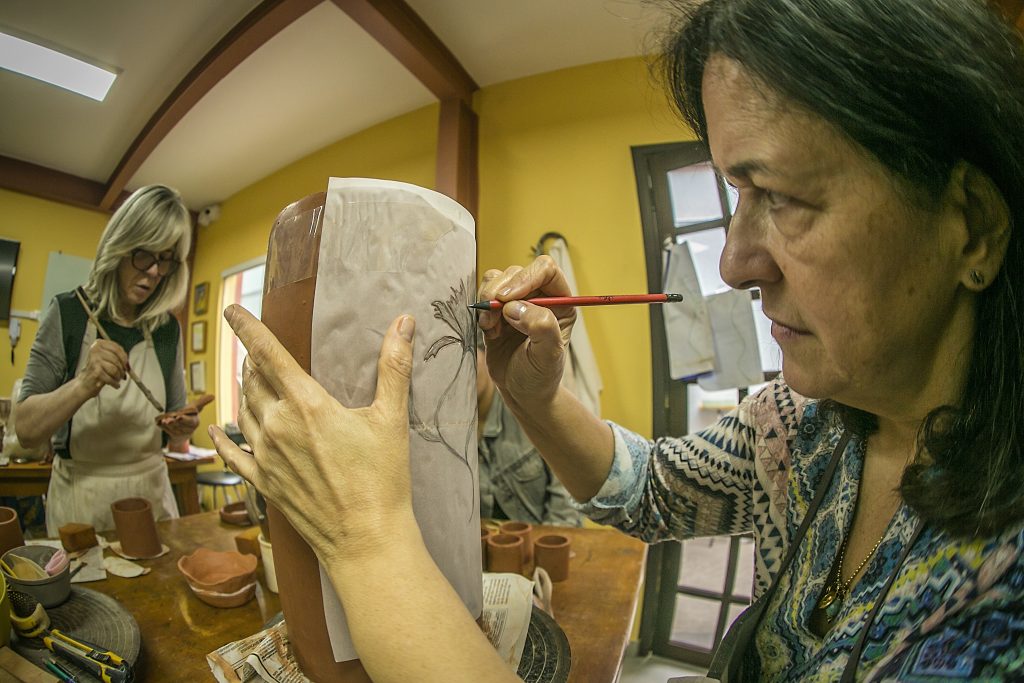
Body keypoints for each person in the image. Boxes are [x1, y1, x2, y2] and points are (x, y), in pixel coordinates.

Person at [210, 0, 1024, 680]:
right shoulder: (805, 425)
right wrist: (531, 393)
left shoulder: (998, 602)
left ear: (973, 228)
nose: (738, 263)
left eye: (782, 196)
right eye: (735, 194)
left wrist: (369, 542)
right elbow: (647, 489)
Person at [18, 185, 197, 536]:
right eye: (145, 255)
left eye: (166, 259)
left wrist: (183, 426)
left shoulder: (165, 330)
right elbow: (25, 431)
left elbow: (176, 420)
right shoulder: (68, 314)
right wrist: (84, 384)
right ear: (120, 245)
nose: (155, 272)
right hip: (81, 500)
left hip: (152, 494)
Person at [477, 338, 580, 527]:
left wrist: (547, 546)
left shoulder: (528, 408)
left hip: (544, 542)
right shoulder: (446, 433)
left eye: (467, 357)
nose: (460, 371)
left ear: (484, 354)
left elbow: (567, 498)